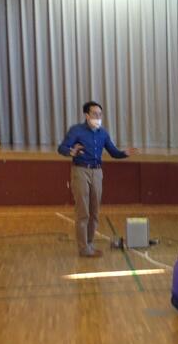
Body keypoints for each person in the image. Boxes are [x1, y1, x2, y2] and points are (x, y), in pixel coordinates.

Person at [57, 100, 138, 257]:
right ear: (87, 115)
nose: (98, 117)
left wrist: (124, 153)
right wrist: (71, 151)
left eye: (100, 114)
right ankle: (83, 248)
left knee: (94, 212)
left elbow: (113, 152)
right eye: (95, 114)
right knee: (83, 212)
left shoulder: (103, 133)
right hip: (80, 170)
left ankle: (89, 243)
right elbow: (62, 148)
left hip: (97, 172)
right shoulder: (76, 130)